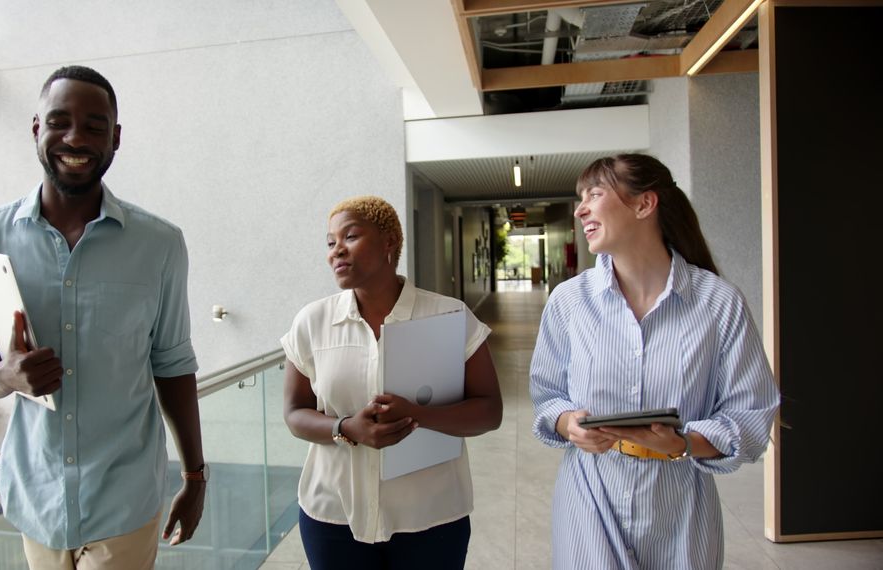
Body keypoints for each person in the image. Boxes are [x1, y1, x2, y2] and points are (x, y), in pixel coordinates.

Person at [0, 65, 207, 569]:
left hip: (124, 496)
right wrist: (2, 376)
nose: (75, 138)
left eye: (94, 126)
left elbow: (173, 364)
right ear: (36, 130)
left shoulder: (159, 244)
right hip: (34, 494)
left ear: (115, 138)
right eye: (59, 121)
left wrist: (195, 477)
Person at [530, 153, 780, 569]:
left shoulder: (719, 303)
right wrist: (569, 422)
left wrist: (682, 443)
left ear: (645, 205)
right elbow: (547, 396)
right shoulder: (569, 302)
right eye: (580, 198)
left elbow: (750, 415)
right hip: (589, 495)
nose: (580, 209)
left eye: (594, 194)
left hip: (681, 505)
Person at [280, 195, 502, 569]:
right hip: (333, 516)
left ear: (389, 242)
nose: (337, 251)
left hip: (431, 518)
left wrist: (418, 415)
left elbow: (489, 411)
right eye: (330, 242)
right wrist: (346, 428)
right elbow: (293, 413)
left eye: (350, 236)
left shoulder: (449, 315)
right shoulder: (311, 322)